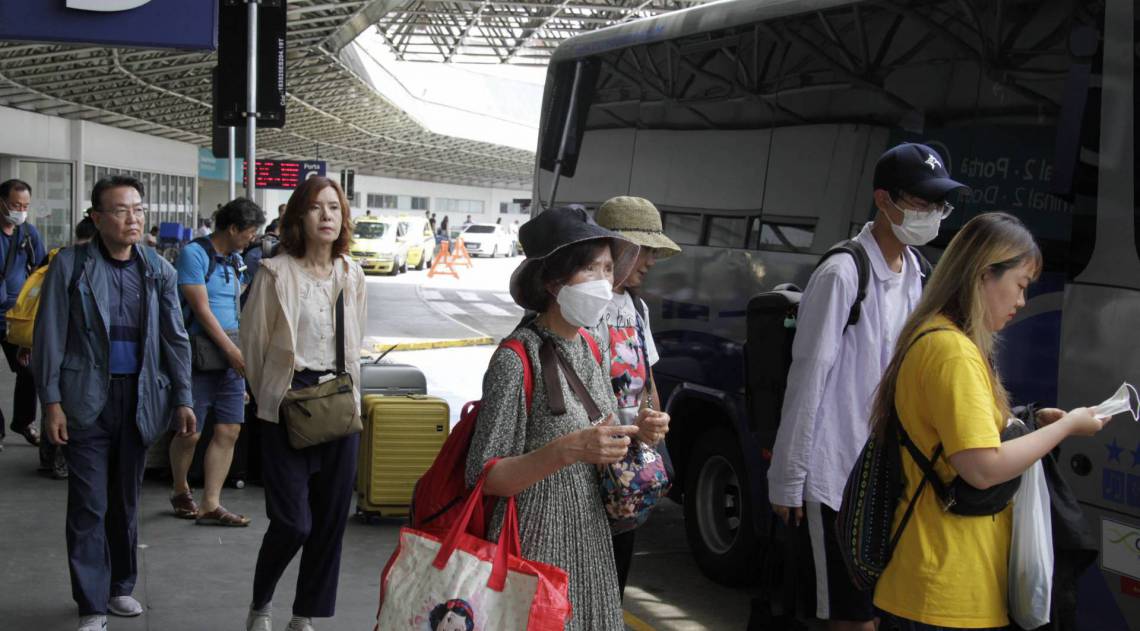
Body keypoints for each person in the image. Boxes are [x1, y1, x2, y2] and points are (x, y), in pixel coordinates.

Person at [871, 212, 1110, 630]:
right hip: (944, 588)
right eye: (1019, 285)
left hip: (938, 584)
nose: (1021, 301)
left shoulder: (937, 337)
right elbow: (982, 467)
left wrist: (1029, 422)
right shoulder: (953, 352)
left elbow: (956, 436)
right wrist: (1066, 427)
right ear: (984, 274)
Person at [767, 143, 968, 631]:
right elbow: (807, 379)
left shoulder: (916, 275)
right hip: (832, 478)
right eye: (921, 203)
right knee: (848, 619)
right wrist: (789, 482)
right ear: (884, 200)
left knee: (871, 614)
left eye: (939, 205)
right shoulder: (843, 274)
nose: (933, 215)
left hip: (879, 478)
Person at [466, 206, 643, 631]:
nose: (603, 283)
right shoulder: (515, 359)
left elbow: (599, 433)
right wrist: (564, 451)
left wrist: (638, 432)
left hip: (590, 537)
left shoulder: (591, 346)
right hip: (533, 539)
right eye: (589, 269)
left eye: (606, 269)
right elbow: (484, 476)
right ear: (552, 281)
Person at [33, 175, 195, 631]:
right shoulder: (70, 265)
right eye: (121, 210)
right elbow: (50, 335)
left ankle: (120, 586)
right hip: (86, 398)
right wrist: (52, 402)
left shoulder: (158, 269)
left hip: (139, 397)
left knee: (126, 499)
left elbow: (175, 338)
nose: (133, 218)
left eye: (138, 209)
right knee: (88, 502)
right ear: (97, 218)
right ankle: (91, 604)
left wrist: (183, 397)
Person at [241, 176, 366, 631]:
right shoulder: (275, 273)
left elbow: (355, 343)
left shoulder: (351, 273)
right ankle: (261, 604)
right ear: (298, 217)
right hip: (287, 404)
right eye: (317, 208)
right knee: (293, 521)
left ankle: (304, 614)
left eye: (335, 207)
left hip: (337, 401)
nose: (328, 216)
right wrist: (271, 395)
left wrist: (351, 396)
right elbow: (253, 349)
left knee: (332, 520)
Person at [592, 196, 679, 598]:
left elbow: (648, 381)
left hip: (627, 471)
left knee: (617, 570)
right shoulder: (583, 306)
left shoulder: (636, 306)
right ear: (615, 246)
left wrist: (655, 422)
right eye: (644, 250)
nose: (649, 261)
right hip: (590, 466)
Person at [168, 197, 265, 527]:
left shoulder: (236, 260)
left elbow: (238, 309)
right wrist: (231, 351)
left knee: (229, 429)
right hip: (199, 354)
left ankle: (211, 503)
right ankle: (181, 488)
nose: (252, 239)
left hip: (231, 355)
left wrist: (241, 352)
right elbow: (201, 311)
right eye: (249, 232)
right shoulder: (194, 255)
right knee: (190, 432)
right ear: (233, 228)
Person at [36, 217, 99, 480]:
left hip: (70, 349)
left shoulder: (58, 256)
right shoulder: (66, 262)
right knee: (61, 402)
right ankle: (58, 455)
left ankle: (51, 455)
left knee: (57, 399)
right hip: (69, 346)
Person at [0, 179, 47, 450]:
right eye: (16, 204)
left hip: (16, 316)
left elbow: (41, 272)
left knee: (28, 369)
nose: (20, 210)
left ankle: (23, 421)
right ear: (2, 202)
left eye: (25, 205)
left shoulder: (28, 234)